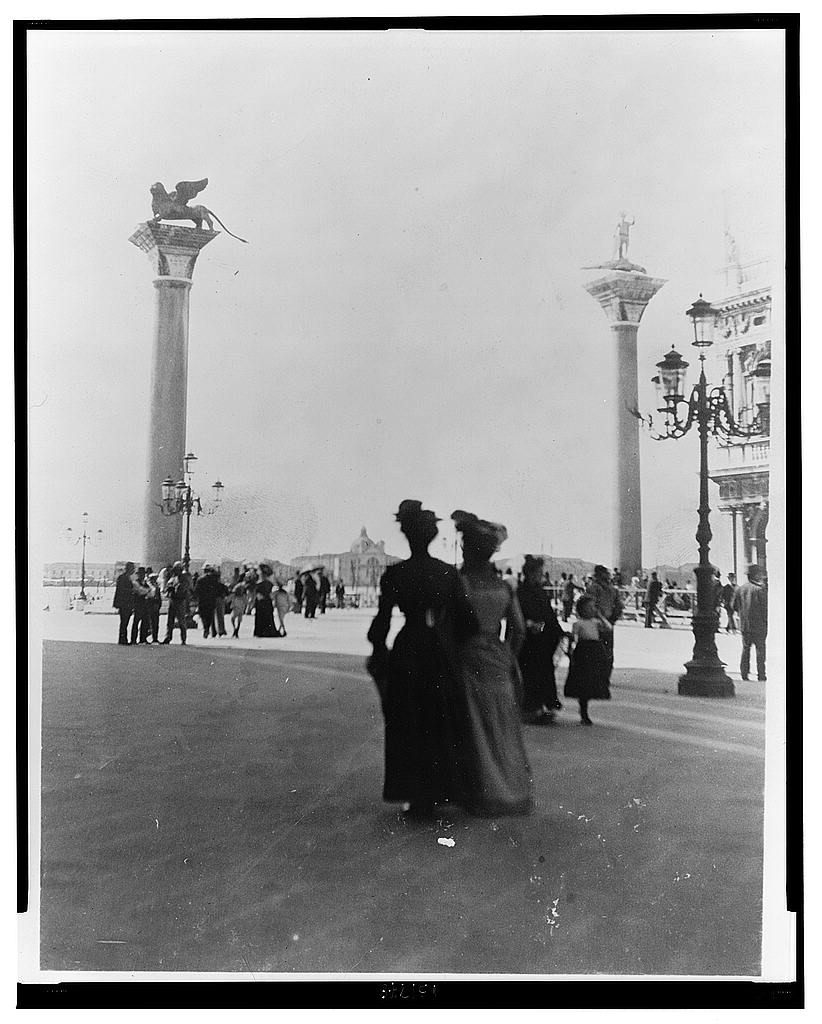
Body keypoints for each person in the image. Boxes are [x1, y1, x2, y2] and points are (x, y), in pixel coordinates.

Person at [366, 499, 477, 818]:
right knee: (438, 718)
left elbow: (381, 623)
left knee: (408, 721)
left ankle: (414, 793)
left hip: (407, 649)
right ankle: (441, 789)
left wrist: (378, 651)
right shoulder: (447, 574)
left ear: (406, 534)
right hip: (438, 650)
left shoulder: (395, 574)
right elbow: (468, 623)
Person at [451, 510, 532, 816]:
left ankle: (480, 790)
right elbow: (519, 630)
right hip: (498, 657)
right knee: (502, 723)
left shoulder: (461, 585)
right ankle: (512, 789)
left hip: (469, 655)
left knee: (476, 724)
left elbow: (448, 627)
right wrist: (508, 655)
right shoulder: (505, 587)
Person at [516, 554, 566, 725]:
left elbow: (549, 615)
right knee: (530, 674)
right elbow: (517, 615)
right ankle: (530, 709)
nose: (540, 575)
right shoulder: (520, 592)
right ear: (530, 573)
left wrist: (559, 631)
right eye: (538, 572)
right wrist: (529, 624)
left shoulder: (540, 592)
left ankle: (543, 708)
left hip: (543, 640)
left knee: (543, 673)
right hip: (528, 640)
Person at [564, 594, 612, 724]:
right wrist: (570, 652)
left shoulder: (596, 622)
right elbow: (573, 640)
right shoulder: (578, 624)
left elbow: (608, 628)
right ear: (581, 610)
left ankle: (585, 706)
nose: (592, 610)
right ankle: (583, 709)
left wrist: (600, 616)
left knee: (592, 680)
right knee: (583, 682)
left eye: (593, 607)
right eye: (589, 607)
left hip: (595, 651)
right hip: (583, 652)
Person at [586, 565, 623, 679]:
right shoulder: (613, 589)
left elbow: (589, 606)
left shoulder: (593, 588)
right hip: (608, 624)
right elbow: (619, 607)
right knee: (607, 651)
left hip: (596, 623)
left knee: (594, 650)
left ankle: (596, 676)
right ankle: (605, 677)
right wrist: (611, 620)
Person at [733, 565, 768, 681]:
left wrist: (742, 613)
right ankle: (761, 674)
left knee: (746, 649)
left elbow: (733, 606)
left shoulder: (740, 589)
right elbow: (765, 608)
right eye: (759, 573)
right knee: (760, 650)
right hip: (759, 625)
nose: (761, 576)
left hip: (745, 625)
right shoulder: (760, 589)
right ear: (755, 575)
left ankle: (744, 673)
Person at [161, 562, 191, 645]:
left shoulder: (183, 578)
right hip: (172, 600)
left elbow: (182, 588)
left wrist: (173, 589)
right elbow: (167, 586)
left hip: (180, 601)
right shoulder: (173, 577)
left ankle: (183, 638)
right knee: (170, 620)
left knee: (181, 620)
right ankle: (168, 637)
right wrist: (168, 589)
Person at [113, 562, 136, 645]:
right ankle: (122, 639)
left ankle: (123, 639)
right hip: (124, 603)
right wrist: (132, 591)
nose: (134, 570)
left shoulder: (126, 577)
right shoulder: (123, 578)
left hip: (127, 603)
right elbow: (121, 590)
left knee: (125, 621)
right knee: (124, 621)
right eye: (133, 568)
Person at [253, 564, 279, 637]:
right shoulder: (267, 583)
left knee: (264, 617)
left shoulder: (265, 583)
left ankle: (263, 632)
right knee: (264, 617)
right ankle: (265, 631)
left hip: (263, 602)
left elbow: (274, 589)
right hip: (264, 602)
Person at [194, 565, 218, 638]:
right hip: (211, 600)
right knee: (210, 616)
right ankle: (208, 628)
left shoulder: (200, 579)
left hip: (202, 600)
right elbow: (216, 589)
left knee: (203, 615)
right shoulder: (213, 579)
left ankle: (206, 628)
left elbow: (196, 590)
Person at [130, 567, 150, 645]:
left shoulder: (145, 583)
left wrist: (146, 591)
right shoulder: (135, 583)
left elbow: (150, 592)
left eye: (143, 574)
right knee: (136, 622)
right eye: (141, 574)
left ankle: (143, 638)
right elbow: (140, 591)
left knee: (145, 622)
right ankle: (133, 639)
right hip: (138, 604)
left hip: (145, 605)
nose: (142, 575)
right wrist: (147, 591)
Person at [145, 571, 162, 644]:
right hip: (150, 606)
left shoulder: (157, 587)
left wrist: (159, 605)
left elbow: (159, 597)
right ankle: (145, 636)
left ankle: (155, 638)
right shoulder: (149, 586)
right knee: (149, 622)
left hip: (156, 607)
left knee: (156, 623)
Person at [212, 569, 229, 637]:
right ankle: (221, 630)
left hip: (212, 599)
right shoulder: (221, 585)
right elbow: (227, 592)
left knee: (212, 616)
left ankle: (213, 631)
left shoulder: (211, 585)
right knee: (220, 616)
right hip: (220, 599)